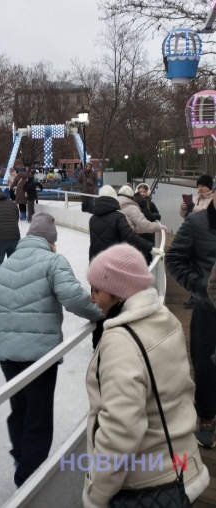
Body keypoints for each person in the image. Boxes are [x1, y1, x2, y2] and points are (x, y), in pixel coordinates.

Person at [83, 244, 209, 508]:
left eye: (97, 290)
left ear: (119, 293)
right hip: (184, 465)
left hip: (147, 482)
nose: (92, 298)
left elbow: (119, 432)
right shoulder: (166, 318)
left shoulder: (121, 342)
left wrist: (96, 495)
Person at [0, 213, 102, 488]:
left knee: (19, 409)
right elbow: (75, 298)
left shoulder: (6, 265)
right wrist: (100, 313)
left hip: (7, 353)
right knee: (38, 417)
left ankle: (21, 457)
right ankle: (28, 480)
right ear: (51, 241)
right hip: (39, 356)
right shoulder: (53, 261)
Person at [166, 189, 216, 449]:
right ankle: (206, 417)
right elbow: (174, 259)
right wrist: (199, 285)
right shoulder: (197, 223)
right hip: (208, 310)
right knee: (206, 366)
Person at [89, 185, 163, 261]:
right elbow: (131, 236)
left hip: (96, 261)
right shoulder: (118, 216)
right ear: (114, 198)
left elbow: (94, 244)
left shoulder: (92, 219)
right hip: (114, 260)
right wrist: (150, 248)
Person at [179, 174, 214, 308]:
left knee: (206, 267)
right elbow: (184, 215)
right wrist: (183, 208)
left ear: (209, 187)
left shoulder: (212, 200)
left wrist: (192, 206)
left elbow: (206, 213)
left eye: (203, 186)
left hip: (206, 237)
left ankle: (206, 296)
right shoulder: (194, 199)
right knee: (192, 266)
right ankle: (194, 295)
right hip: (192, 235)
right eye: (198, 186)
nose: (200, 189)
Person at [133, 182, 162, 264]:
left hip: (149, 234)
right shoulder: (134, 204)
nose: (142, 193)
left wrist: (150, 215)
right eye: (140, 192)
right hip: (138, 233)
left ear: (147, 192)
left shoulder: (151, 204)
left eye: (144, 191)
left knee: (148, 255)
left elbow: (158, 215)